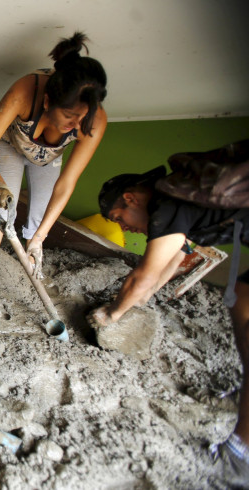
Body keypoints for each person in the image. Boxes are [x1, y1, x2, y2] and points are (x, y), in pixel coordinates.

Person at [89, 168, 249, 484]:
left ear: (130, 198)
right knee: (242, 297)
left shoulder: (165, 208)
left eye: (120, 217)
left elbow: (143, 275)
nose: (123, 226)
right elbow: (168, 266)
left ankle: (240, 452)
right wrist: (139, 299)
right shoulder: (181, 207)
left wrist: (111, 315)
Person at [0, 32, 108, 318]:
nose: (77, 125)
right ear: (48, 102)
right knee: (0, 211)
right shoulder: (24, 92)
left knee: (40, 218)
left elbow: (67, 183)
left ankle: (34, 260)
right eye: (70, 117)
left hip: (47, 158)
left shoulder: (94, 121)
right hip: (10, 145)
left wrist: (39, 237)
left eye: (83, 117)